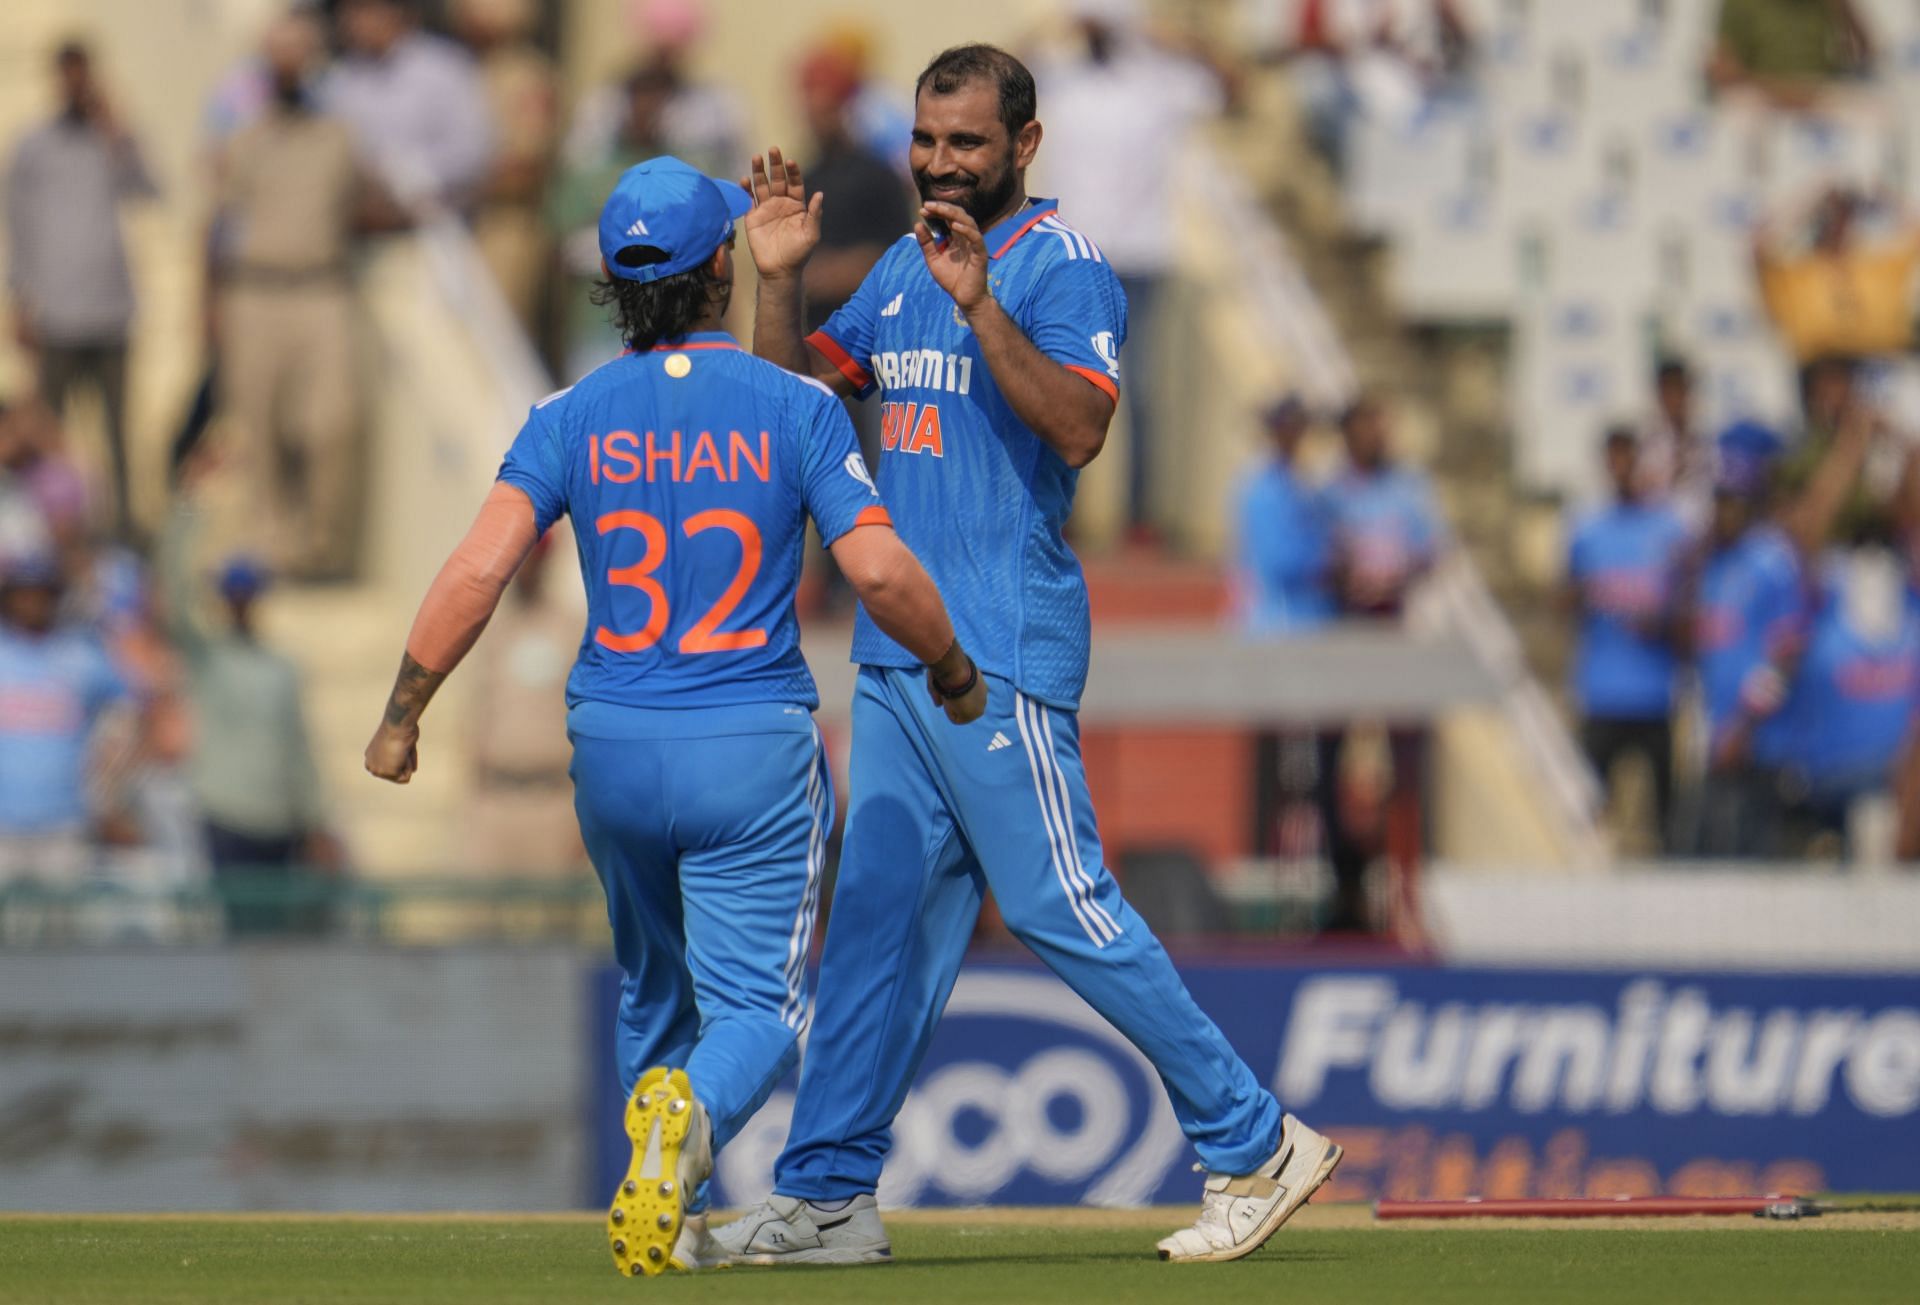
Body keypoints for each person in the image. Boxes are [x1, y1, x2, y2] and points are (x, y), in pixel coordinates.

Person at [718, 43, 1342, 1267]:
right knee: (874, 934)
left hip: (999, 647)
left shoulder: (1065, 266)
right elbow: (788, 398)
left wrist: (980, 305)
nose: (941, 162)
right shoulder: (898, 266)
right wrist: (777, 278)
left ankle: (1255, 1142)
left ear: (1025, 146)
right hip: (902, 659)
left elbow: (1082, 426)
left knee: (1062, 905)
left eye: (967, 142)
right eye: (927, 138)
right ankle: (830, 1198)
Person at [361, 155, 983, 1277]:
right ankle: (685, 1123)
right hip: (747, 743)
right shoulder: (796, 406)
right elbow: (881, 572)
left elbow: (477, 570)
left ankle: (667, 1205)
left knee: (654, 984)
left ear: (611, 281)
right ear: (718, 270)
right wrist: (950, 665)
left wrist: (404, 712)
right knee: (759, 1010)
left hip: (609, 746)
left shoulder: (568, 411)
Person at [1034, 0, 1228, 546]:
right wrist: (1053, 29)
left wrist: (1163, 38)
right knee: (1065, 386)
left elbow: (1229, 86)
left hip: (1143, 257)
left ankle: (1139, 519)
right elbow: (998, 80)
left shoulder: (1159, 81)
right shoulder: (1058, 76)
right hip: (1073, 259)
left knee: (1139, 391)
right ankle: (1061, 511)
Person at [211, 12, 367, 580]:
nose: (288, 65)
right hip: (254, 289)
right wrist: (206, 308)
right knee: (257, 425)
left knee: (332, 422)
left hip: (322, 286)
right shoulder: (243, 136)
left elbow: (363, 202)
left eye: (298, 54)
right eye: (279, 54)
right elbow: (215, 222)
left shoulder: (339, 136)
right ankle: (269, 550)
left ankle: (321, 548)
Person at [5, 40, 159, 543]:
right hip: (58, 314)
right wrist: (19, 300)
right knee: (51, 432)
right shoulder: (33, 147)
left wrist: (118, 131)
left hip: (111, 309)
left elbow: (150, 190)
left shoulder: (110, 138)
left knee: (117, 431)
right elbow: (19, 228)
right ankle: (50, 530)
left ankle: (121, 527)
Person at [160, 487, 333, 935]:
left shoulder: (281, 668)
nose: (240, 602)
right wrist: (189, 510)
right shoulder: (209, 658)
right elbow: (174, 596)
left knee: (273, 936)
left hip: (277, 821)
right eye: (232, 594)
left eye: (246, 593)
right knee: (227, 933)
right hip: (224, 817)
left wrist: (315, 819)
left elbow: (299, 748)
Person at [1317, 392, 1442, 927]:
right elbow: (1318, 557)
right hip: (1343, 636)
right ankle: (1341, 889)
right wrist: (1346, 572)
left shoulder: (1408, 488)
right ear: (1348, 434)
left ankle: (1406, 886)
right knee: (1329, 767)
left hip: (1391, 636)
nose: (1378, 437)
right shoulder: (1329, 492)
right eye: (1368, 427)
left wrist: (1394, 572)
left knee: (1405, 766)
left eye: (1381, 426)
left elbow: (1429, 552)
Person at [1567, 427, 1691, 853]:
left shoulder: (1671, 530)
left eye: (1628, 459)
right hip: (1601, 693)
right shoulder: (1587, 530)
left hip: (1656, 693)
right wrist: (1583, 594)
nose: (1621, 469)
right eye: (1613, 460)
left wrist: (1660, 623)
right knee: (1588, 815)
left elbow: (1690, 610)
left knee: (1667, 820)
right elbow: (1563, 599)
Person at [1683, 427, 1802, 857]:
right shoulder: (1710, 563)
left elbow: (1787, 652)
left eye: (1732, 501)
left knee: (1752, 865)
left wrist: (1745, 723)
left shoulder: (1771, 558)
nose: (1723, 512)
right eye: (1718, 501)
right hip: (1716, 738)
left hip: (1758, 743)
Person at [797, 41, 913, 477]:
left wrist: (844, 270)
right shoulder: (806, 177)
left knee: (873, 461)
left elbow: (899, 253)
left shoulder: (879, 176)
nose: (812, 110)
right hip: (816, 340)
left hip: (872, 344)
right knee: (821, 461)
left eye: (822, 99)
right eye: (807, 99)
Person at [0, 553, 131, 892]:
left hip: (64, 823)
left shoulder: (79, 654)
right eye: (23, 593)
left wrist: (109, 782)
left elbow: (134, 707)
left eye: (41, 593)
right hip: (3, 827)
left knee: (61, 937)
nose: (32, 602)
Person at [461, 532, 586, 877]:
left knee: (552, 924)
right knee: (481, 921)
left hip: (552, 799)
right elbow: (477, 718)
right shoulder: (494, 631)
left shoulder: (572, 630)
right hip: (498, 797)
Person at [324, 0, 494, 213]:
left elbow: (472, 151)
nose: (353, 21)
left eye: (364, 9)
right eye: (348, 12)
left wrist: (403, 174)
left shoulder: (445, 67)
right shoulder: (340, 79)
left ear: (395, 12)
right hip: (357, 223)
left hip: (431, 223)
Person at [453, 0, 559, 331]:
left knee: (497, 334)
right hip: (452, 225)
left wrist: (458, 184)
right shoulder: (456, 67)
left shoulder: (529, 76)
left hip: (506, 224)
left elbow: (528, 166)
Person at [1754, 188, 1920, 366]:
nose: (1837, 226)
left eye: (1845, 217)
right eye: (1829, 217)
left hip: (1888, 371)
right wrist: (1809, 200)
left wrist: (1884, 196)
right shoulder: (1796, 277)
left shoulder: (1879, 265)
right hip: (1822, 375)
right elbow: (1758, 248)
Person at [1233, 395, 1333, 634]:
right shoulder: (1262, 486)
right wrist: (1329, 561)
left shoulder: (1303, 481)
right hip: (1274, 620)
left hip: (1307, 616)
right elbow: (1278, 559)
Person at [1710, 0, 1872, 107]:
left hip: (1817, 91)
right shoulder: (1740, 4)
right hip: (1763, 95)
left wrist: (1845, 12)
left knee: (1871, 113)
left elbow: (1862, 55)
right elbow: (1724, 72)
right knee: (1739, 111)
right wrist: (1784, 91)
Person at [1637, 356, 1713, 530]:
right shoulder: (1645, 447)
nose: (1675, 399)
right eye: (1668, 391)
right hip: (1659, 539)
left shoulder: (1707, 444)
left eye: (1680, 390)